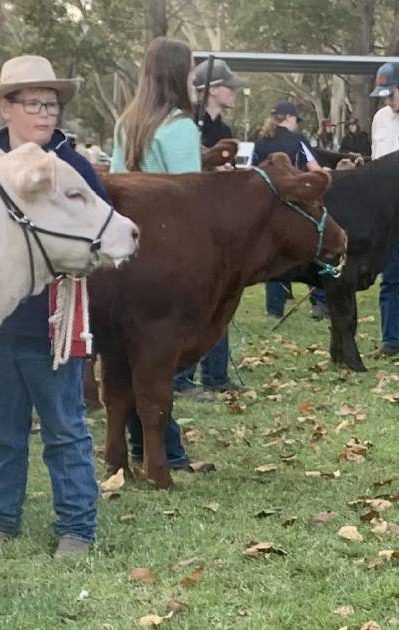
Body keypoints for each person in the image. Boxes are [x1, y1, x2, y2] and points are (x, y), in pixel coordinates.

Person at [0, 55, 106, 558]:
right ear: (6, 106)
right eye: (35, 104)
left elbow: (100, 232)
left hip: (53, 318)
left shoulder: (75, 166)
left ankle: (76, 529)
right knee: (2, 431)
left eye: (53, 105)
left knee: (65, 429)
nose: (47, 115)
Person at [109, 37, 197, 472]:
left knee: (128, 351)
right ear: (180, 74)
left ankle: (138, 443)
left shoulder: (128, 124)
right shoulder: (181, 127)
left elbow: (116, 184)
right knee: (162, 355)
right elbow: (190, 193)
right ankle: (166, 449)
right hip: (170, 249)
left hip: (127, 249)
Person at [176, 58, 246, 398]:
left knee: (223, 296)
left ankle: (216, 375)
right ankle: (182, 379)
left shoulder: (226, 132)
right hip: (191, 224)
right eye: (229, 86)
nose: (233, 92)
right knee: (192, 303)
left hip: (220, 222)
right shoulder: (188, 125)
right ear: (212, 90)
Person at [254, 101, 324, 318]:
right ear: (289, 118)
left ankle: (274, 308)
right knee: (315, 250)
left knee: (275, 254)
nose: (296, 124)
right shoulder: (297, 140)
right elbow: (315, 169)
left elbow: (253, 171)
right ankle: (319, 302)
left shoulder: (261, 142)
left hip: (270, 205)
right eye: (295, 119)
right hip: (297, 203)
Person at [368, 62, 399, 357]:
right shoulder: (380, 119)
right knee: (391, 276)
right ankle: (391, 339)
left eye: (392, 93)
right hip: (388, 211)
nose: (388, 100)